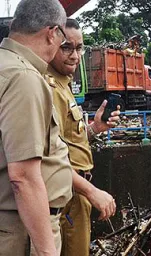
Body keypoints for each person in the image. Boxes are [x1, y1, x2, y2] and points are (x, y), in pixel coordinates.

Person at [0, 0, 70, 255]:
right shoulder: (23, 78)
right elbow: (24, 178)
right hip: (21, 229)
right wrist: (46, 250)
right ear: (52, 33)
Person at [48, 18, 121, 256]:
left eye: (79, 48)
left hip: (75, 192)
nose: (74, 55)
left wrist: (94, 128)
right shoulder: (48, 89)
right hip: (66, 194)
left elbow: (66, 140)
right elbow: (47, 160)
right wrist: (91, 191)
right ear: (51, 43)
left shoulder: (64, 84)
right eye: (67, 47)